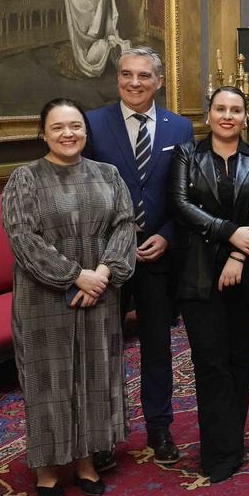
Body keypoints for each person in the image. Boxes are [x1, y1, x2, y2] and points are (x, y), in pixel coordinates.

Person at [1, 99, 136, 496]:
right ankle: (46, 469)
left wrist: (105, 273)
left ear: (85, 131)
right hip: (44, 298)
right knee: (50, 380)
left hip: (99, 294)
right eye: (58, 127)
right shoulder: (25, 178)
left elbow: (125, 225)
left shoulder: (108, 174)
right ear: (43, 133)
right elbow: (23, 238)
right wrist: (76, 275)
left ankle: (86, 462)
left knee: (94, 375)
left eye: (75, 126)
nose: (68, 134)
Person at [84, 47, 193, 471]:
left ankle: (159, 428)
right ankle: (105, 435)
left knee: (157, 347)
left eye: (144, 76)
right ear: (117, 79)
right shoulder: (93, 124)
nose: (134, 83)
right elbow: (87, 194)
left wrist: (167, 235)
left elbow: (186, 194)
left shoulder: (180, 128)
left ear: (159, 82)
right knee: (104, 349)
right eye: (127, 75)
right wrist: (116, 245)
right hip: (108, 259)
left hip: (158, 257)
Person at [169, 86, 249, 484]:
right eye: (220, 109)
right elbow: (180, 206)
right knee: (210, 362)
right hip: (198, 272)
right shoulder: (186, 155)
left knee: (239, 359)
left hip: (246, 272)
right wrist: (230, 233)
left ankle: (231, 441)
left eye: (236, 109)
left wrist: (237, 255)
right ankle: (220, 452)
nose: (228, 115)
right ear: (209, 114)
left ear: (246, 117)